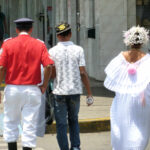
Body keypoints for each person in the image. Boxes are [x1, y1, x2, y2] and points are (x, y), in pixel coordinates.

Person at [0, 18, 54, 150]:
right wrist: (44, 84)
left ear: (16, 29)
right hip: (32, 89)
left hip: (12, 89)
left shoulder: (7, 44)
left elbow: (1, 68)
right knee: (29, 124)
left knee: (11, 121)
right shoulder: (39, 44)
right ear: (31, 29)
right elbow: (49, 66)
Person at [104, 26, 150, 150]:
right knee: (140, 131)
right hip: (142, 101)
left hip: (122, 100)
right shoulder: (148, 59)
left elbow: (111, 75)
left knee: (121, 128)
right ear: (142, 42)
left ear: (129, 41)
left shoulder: (120, 58)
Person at [49, 22, 93, 150]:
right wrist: (89, 93)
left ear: (57, 36)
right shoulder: (79, 50)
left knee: (61, 124)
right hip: (75, 92)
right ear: (70, 34)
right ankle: (75, 147)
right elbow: (83, 72)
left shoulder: (52, 51)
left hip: (59, 93)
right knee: (74, 120)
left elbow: (52, 74)